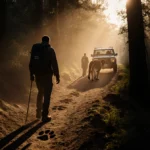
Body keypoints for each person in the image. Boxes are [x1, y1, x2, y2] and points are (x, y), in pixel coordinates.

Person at [29, 35, 60, 122]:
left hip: (38, 76)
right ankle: (44, 116)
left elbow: (31, 62)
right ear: (48, 41)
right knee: (47, 95)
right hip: (47, 76)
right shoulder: (50, 50)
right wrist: (57, 75)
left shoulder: (36, 49)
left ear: (42, 40)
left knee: (40, 92)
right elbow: (54, 63)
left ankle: (38, 113)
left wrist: (31, 75)